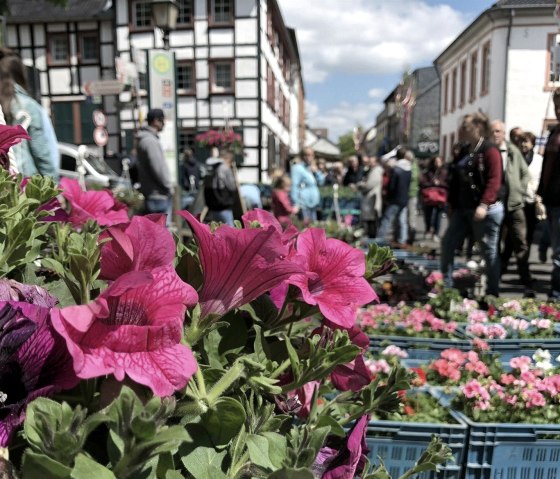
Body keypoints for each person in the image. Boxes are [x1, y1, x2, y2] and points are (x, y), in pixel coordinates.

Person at [441, 112, 504, 297]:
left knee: (488, 251)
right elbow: (455, 179)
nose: (462, 130)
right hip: (463, 208)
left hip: (485, 210)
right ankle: (446, 285)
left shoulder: (490, 150)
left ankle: (492, 293)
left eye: (466, 126)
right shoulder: (465, 150)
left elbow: (494, 180)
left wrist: (484, 204)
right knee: (448, 243)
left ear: (477, 128)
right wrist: (452, 204)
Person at [0, 48, 59, 180]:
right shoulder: (28, 107)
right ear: (20, 74)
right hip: (23, 183)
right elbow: (42, 153)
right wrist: (52, 186)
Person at [491, 120, 533, 296]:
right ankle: (494, 278)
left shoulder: (512, 150)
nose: (496, 134)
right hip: (495, 204)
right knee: (494, 243)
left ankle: (526, 280)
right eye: (493, 131)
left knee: (520, 242)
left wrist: (520, 189)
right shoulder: (488, 150)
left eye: (499, 131)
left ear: (503, 132)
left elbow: (526, 173)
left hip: (515, 204)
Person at [538, 88, 560, 298]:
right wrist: (541, 192)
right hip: (553, 199)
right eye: (556, 105)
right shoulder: (554, 133)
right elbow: (547, 167)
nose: (559, 110)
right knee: (557, 247)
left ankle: (556, 291)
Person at [136, 108, 173, 217]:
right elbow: (158, 168)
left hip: (151, 194)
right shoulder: (150, 141)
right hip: (158, 195)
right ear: (156, 121)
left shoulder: (144, 139)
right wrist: (168, 186)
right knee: (162, 232)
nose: (164, 124)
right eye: (162, 120)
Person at [377, 147, 412, 245]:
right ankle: (402, 240)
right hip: (404, 198)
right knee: (402, 221)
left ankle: (379, 239)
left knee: (387, 219)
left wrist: (388, 197)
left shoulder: (396, 169)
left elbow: (391, 186)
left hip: (395, 198)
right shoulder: (409, 168)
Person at [519, 131, 545, 255]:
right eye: (522, 141)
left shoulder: (539, 160)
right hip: (518, 200)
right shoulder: (516, 158)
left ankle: (525, 255)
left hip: (532, 200)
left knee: (529, 231)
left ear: (533, 144)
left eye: (526, 141)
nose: (523, 144)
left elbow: (542, 177)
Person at [204, 149, 237, 226]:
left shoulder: (211, 167)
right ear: (228, 159)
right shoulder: (224, 168)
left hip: (213, 207)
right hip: (224, 207)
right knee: (229, 232)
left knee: (216, 231)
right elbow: (232, 187)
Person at [419, 155, 447, 241]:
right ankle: (428, 229)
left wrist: (440, 183)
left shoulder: (444, 172)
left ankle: (436, 233)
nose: (437, 163)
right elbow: (423, 182)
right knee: (428, 214)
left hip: (440, 197)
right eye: (436, 162)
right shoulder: (428, 172)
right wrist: (432, 183)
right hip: (429, 197)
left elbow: (447, 183)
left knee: (438, 216)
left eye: (439, 162)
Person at [290, 147, 321, 223]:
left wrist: (316, 172)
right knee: (305, 228)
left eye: (311, 155)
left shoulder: (311, 168)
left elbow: (321, 181)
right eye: (306, 155)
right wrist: (295, 203)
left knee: (314, 228)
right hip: (303, 204)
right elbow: (294, 186)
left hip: (313, 204)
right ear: (302, 156)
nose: (308, 157)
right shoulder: (297, 168)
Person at [358, 155, 383, 238]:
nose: (369, 163)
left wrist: (360, 185)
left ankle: (372, 238)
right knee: (370, 220)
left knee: (372, 221)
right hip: (370, 199)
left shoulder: (376, 171)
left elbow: (369, 185)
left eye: (371, 161)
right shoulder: (372, 170)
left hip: (372, 198)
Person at [406, 150, 419, 244]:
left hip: (412, 194)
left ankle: (412, 236)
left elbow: (414, 176)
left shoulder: (413, 166)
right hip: (407, 193)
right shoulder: (410, 165)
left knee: (411, 217)